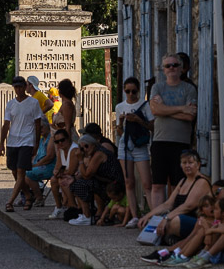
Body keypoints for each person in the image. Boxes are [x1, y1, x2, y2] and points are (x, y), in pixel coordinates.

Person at [139, 149, 212, 263]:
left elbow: (188, 206)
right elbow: (168, 204)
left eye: (190, 162)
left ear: (198, 165)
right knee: (151, 221)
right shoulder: (183, 181)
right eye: (184, 163)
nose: (187, 165)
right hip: (179, 219)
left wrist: (166, 218)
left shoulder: (202, 181)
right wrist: (147, 216)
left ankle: (171, 241)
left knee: (174, 221)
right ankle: (171, 239)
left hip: (196, 222)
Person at [150, 54, 198, 209]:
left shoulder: (189, 89)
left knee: (179, 184)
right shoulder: (157, 87)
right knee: (158, 184)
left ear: (181, 68)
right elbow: (155, 110)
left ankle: (174, 219)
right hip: (160, 141)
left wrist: (165, 109)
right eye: (168, 66)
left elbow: (190, 116)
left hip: (180, 143)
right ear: (163, 70)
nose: (171, 68)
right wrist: (181, 108)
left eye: (175, 65)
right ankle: (157, 219)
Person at [0, 75, 45, 212]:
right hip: (13, 141)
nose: (18, 89)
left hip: (27, 140)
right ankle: (27, 195)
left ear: (25, 87)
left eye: (20, 87)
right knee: (14, 171)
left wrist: (36, 144)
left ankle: (10, 202)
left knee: (21, 171)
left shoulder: (33, 103)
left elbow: (38, 124)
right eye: (16, 87)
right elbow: (6, 124)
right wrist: (1, 143)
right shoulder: (10, 104)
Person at [117, 75, 154, 227]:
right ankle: (134, 216)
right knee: (129, 182)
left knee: (147, 183)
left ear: (138, 91)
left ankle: (153, 215)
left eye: (134, 91)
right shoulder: (120, 106)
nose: (131, 94)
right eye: (128, 91)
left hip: (140, 146)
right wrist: (121, 121)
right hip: (125, 145)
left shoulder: (145, 106)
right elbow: (119, 131)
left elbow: (153, 127)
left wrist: (138, 120)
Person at [69, 133, 124, 226]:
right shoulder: (93, 154)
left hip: (114, 185)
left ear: (93, 145)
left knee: (79, 185)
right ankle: (89, 212)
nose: (85, 150)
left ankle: (87, 216)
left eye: (86, 146)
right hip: (105, 182)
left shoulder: (99, 154)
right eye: (82, 148)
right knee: (75, 182)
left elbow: (87, 175)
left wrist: (80, 160)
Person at [47, 123, 81, 220]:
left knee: (63, 181)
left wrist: (60, 172)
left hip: (77, 175)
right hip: (67, 175)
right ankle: (58, 206)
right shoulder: (61, 150)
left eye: (62, 140)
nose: (60, 143)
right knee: (53, 179)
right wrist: (57, 173)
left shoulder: (74, 150)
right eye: (57, 142)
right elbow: (57, 167)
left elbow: (71, 171)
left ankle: (72, 205)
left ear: (68, 139)